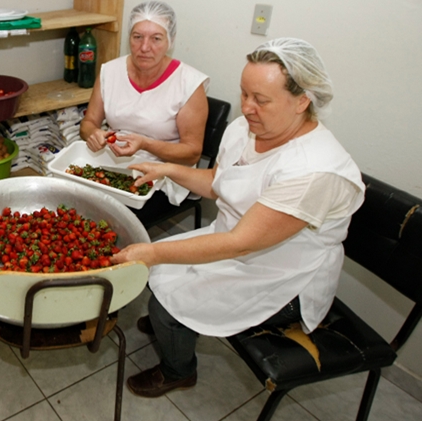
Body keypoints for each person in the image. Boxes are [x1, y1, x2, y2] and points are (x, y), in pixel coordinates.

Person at [111, 38, 365, 398]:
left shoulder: (314, 171)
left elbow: (239, 243)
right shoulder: (249, 129)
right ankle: (173, 324)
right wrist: (165, 169)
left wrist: (151, 254)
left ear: (302, 101)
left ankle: (177, 369)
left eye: (261, 100)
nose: (247, 108)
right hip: (235, 240)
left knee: (162, 290)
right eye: (244, 94)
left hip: (283, 275)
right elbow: (220, 183)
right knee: (158, 277)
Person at [79, 1, 209, 214]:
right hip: (114, 162)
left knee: (103, 214)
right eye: (137, 37)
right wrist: (93, 133)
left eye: (156, 38)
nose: (144, 47)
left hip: (165, 173)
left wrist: (145, 144)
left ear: (170, 41)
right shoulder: (110, 72)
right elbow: (88, 123)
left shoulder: (189, 84)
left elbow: (192, 153)